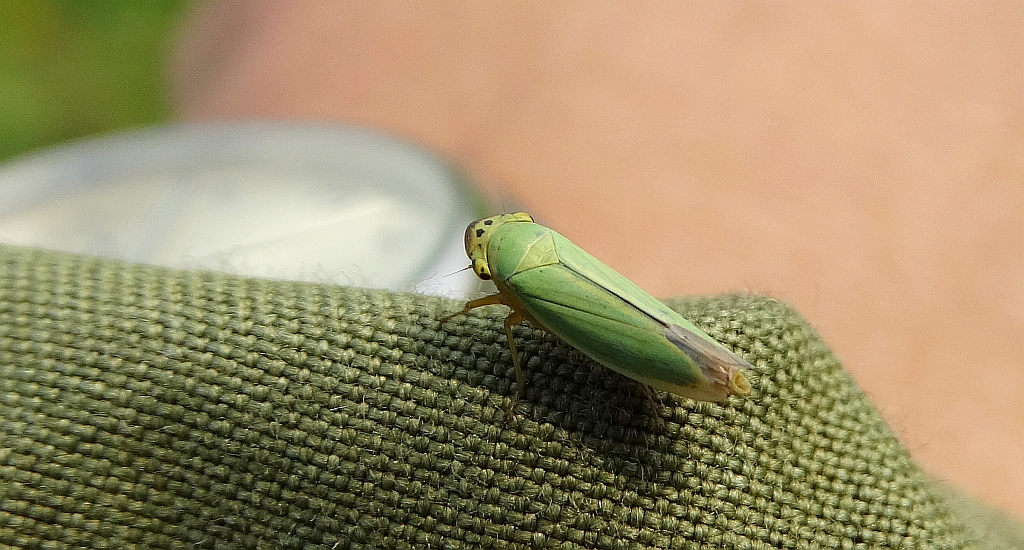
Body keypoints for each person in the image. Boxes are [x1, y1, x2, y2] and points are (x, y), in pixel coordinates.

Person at [173, 1, 1024, 521]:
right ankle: (711, 368)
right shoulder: (528, 242)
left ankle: (707, 370)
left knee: (560, 330)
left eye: (481, 243)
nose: (480, 246)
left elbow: (515, 334)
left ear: (490, 257)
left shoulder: (507, 285)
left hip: (628, 330)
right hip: (615, 303)